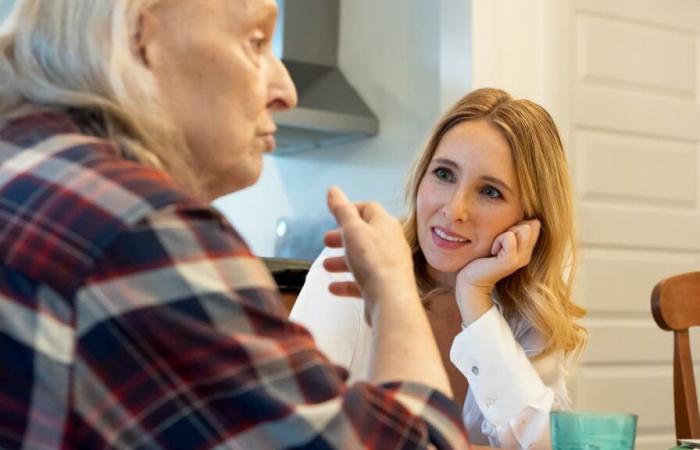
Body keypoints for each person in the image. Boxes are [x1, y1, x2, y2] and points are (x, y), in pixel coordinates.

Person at [0, 1, 471, 448]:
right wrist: (392, 288)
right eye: (256, 41)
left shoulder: (28, 172)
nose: (287, 91)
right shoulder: (140, 232)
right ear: (143, 37)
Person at [291, 88, 588, 449]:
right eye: (444, 174)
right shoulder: (353, 267)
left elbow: (548, 445)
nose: (454, 209)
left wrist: (476, 302)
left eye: (490, 192)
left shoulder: (525, 311)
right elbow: (292, 430)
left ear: (529, 221)